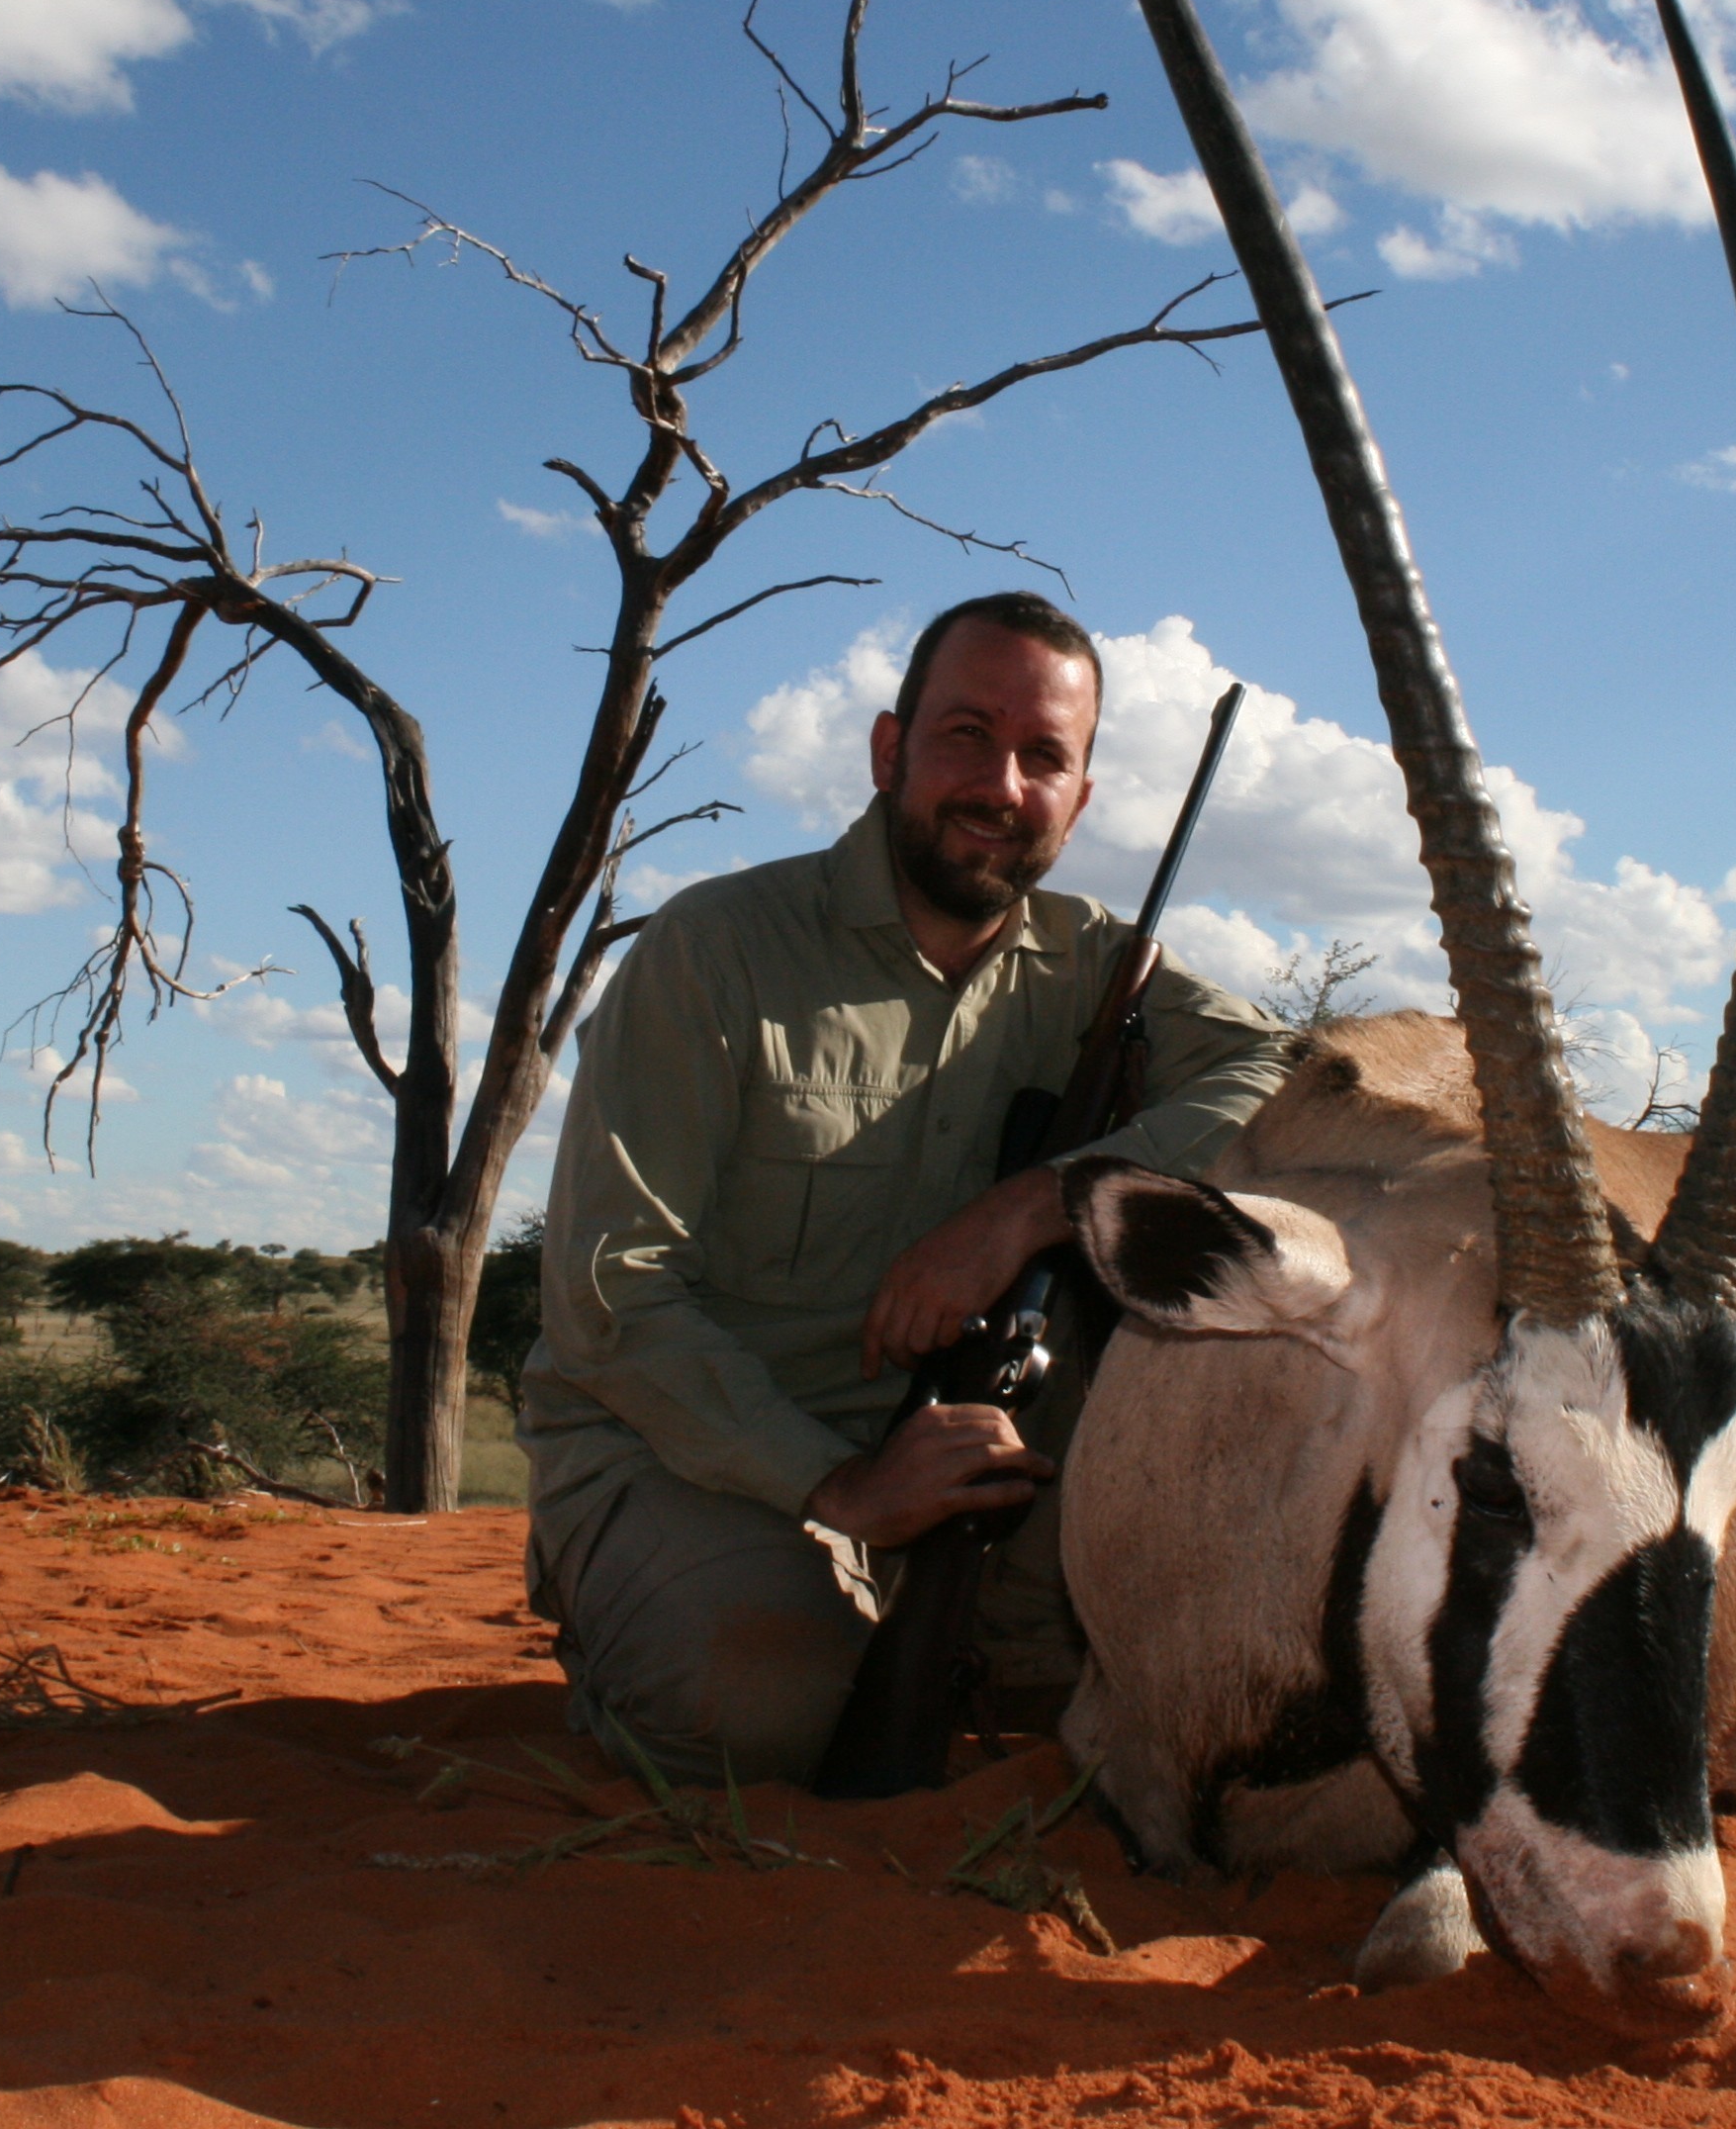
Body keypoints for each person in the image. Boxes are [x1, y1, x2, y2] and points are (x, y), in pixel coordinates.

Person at [518, 592, 1292, 1786]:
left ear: (1079, 802)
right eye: (966, 736)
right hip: (689, 1452)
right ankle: (628, 1613)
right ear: (891, 752)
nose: (1002, 785)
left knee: (1140, 1702)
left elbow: (1275, 1075)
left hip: (967, 1455)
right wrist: (841, 1486)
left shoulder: (1097, 964)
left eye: (1046, 757)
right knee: (775, 1714)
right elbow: (609, 1298)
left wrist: (1037, 1205)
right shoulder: (714, 948)